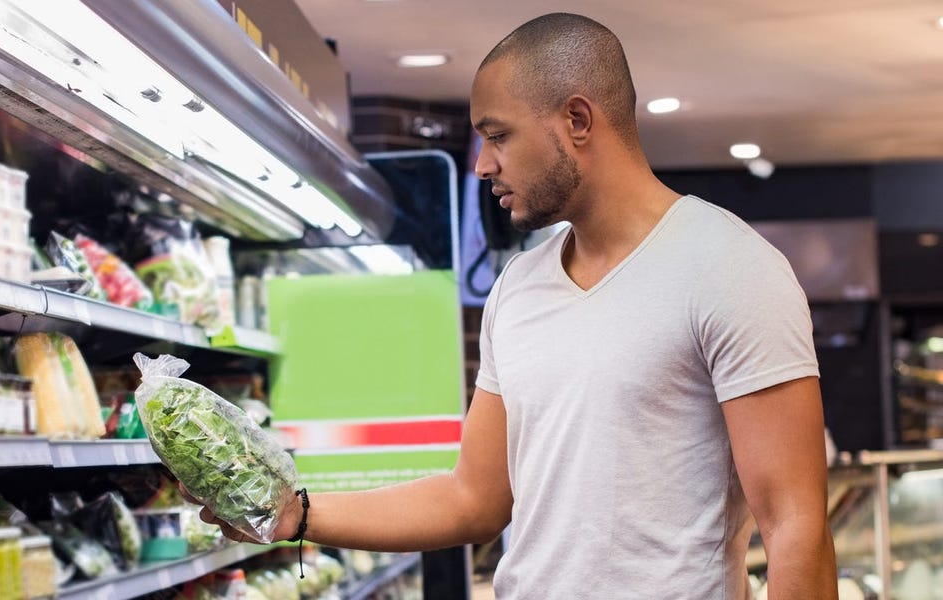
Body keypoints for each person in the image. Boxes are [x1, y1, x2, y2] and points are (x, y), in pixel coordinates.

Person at [194, 12, 837, 599]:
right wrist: (295, 513)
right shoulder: (518, 289)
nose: (481, 165)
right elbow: (472, 498)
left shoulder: (729, 266)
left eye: (497, 136)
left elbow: (795, 527)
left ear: (577, 121)